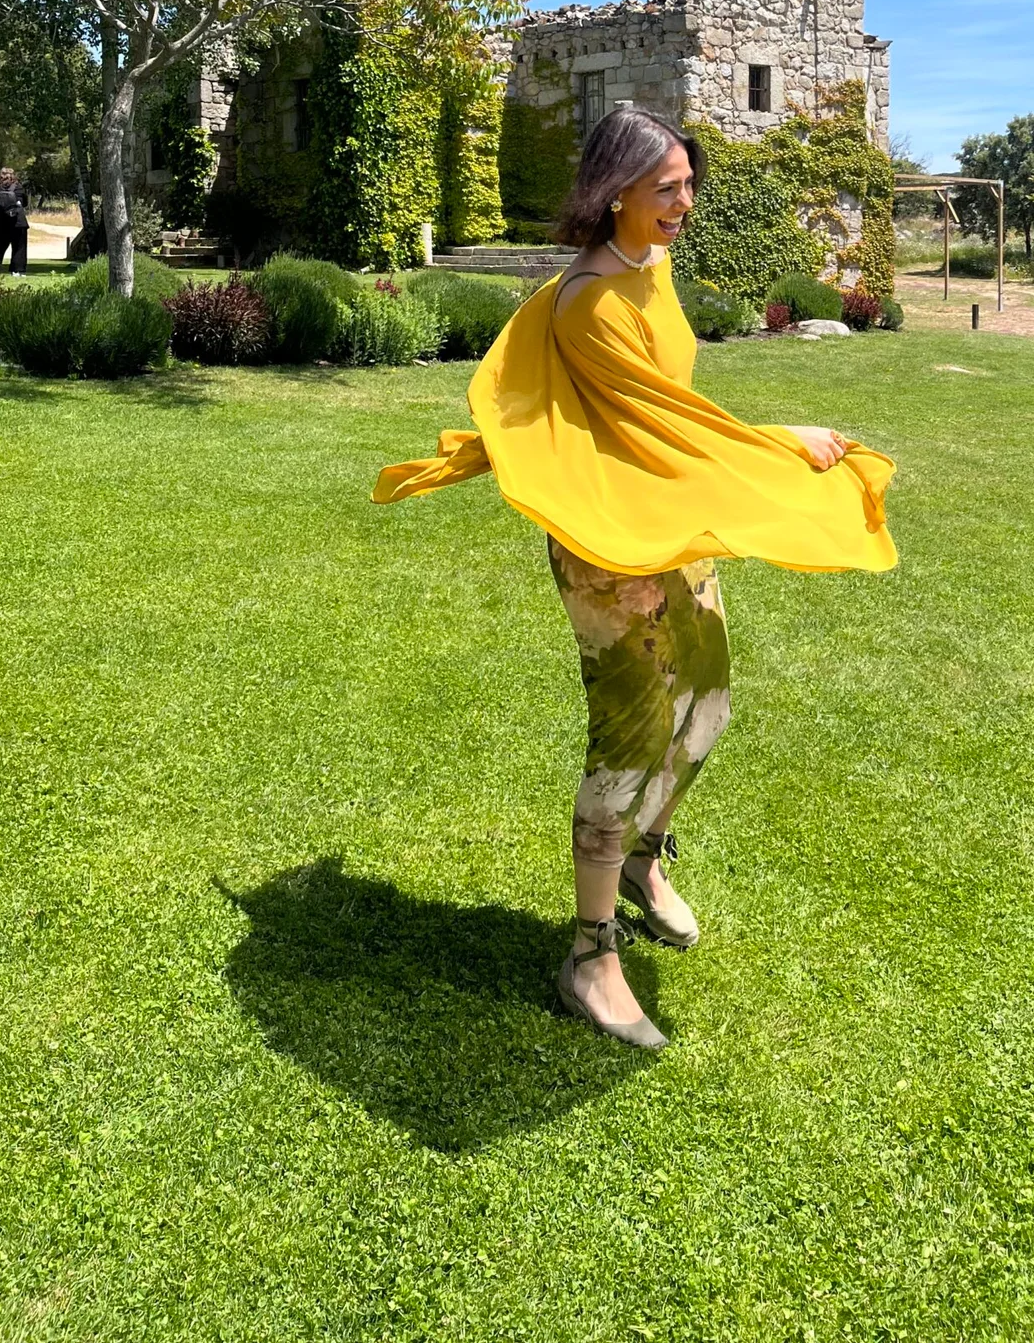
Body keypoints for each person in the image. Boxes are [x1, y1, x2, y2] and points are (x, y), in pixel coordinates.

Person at [374, 107, 897, 1049]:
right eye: (667, 189)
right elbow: (662, 423)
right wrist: (778, 444)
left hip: (667, 515)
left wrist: (753, 442)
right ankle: (589, 956)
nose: (685, 203)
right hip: (607, 542)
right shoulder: (589, 306)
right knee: (629, 738)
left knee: (707, 708)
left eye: (689, 184)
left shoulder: (651, 270)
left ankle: (643, 858)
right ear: (614, 191)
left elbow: (677, 408)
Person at [0, 166, 29, 275]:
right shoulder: (19, 188)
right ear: (12, 176)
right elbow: (25, 203)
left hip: (0, 222)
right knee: (19, 247)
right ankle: (17, 270)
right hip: (18, 221)